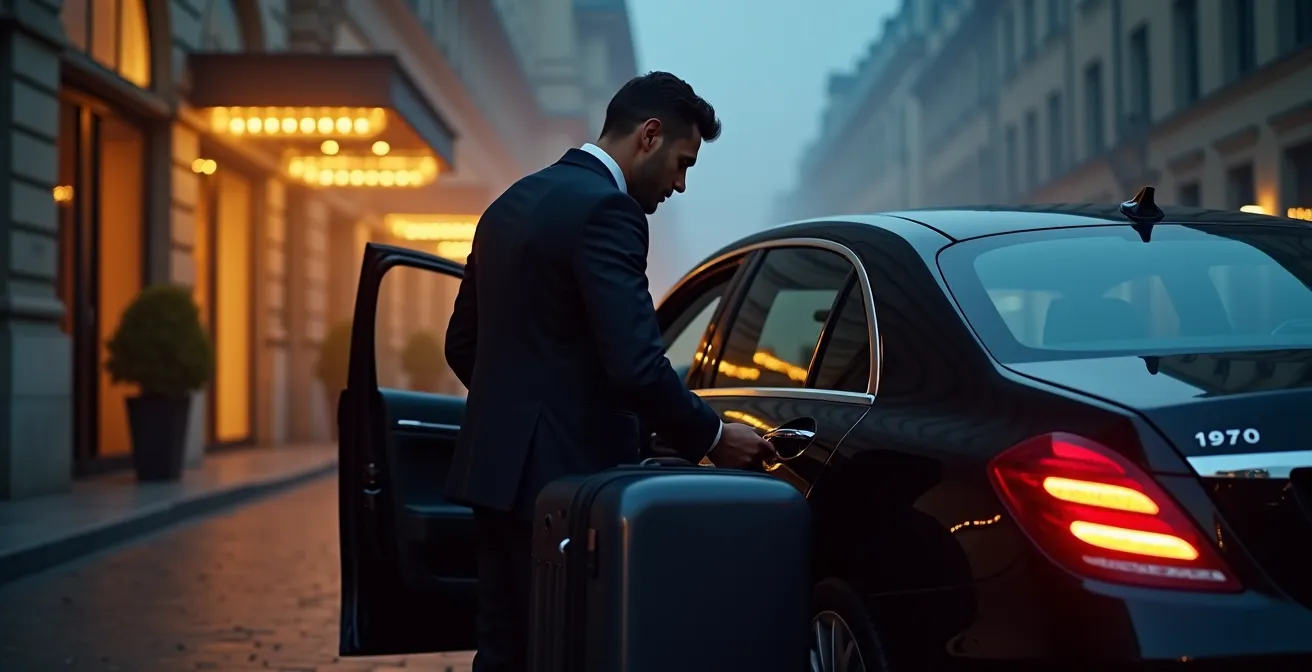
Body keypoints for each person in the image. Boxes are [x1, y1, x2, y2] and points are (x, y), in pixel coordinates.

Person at [443, 71, 777, 672]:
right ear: (649, 135)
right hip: (567, 488)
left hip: (490, 477)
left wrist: (518, 415)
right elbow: (636, 364)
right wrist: (713, 436)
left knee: (502, 651)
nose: (679, 184)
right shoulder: (610, 211)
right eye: (683, 163)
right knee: (570, 651)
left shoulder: (509, 201)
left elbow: (461, 345)